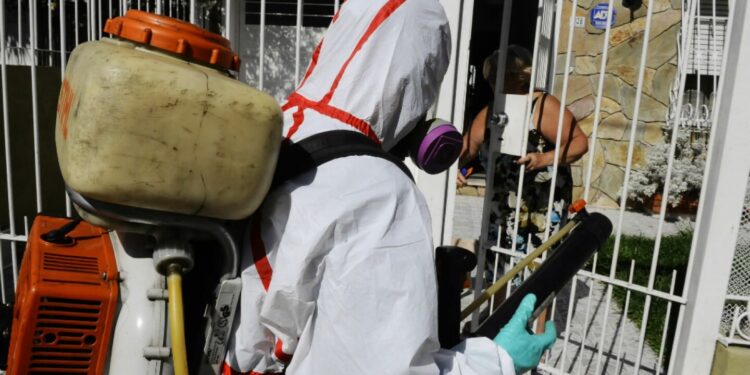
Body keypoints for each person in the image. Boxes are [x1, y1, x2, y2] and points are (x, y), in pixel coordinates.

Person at [223, 1, 556, 374]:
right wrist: (498, 360)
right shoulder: (380, 192)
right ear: (421, 76)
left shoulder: (275, 125)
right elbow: (383, 367)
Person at [459, 46, 588, 251]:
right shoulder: (493, 109)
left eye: (498, 75)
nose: (492, 82)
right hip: (501, 214)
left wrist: (544, 158)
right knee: (498, 274)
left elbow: (579, 142)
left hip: (538, 215)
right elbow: (467, 148)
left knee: (534, 275)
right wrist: (451, 169)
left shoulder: (543, 105)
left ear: (520, 76)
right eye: (489, 77)